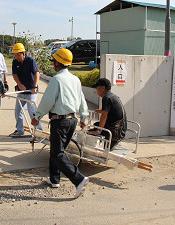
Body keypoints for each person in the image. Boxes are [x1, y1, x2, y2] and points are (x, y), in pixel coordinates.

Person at [32, 48, 89, 198]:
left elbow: (47, 101)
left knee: (57, 153)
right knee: (56, 150)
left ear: (58, 62)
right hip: (72, 121)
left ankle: (79, 179)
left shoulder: (56, 80)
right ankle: (54, 179)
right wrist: (84, 118)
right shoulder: (75, 79)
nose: (53, 64)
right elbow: (82, 99)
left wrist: (37, 116)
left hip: (60, 122)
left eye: (54, 61)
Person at [9, 43, 41, 137]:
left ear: (24, 53)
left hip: (31, 91)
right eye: (15, 55)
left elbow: (37, 73)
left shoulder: (30, 60)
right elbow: (15, 74)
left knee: (32, 111)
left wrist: (34, 87)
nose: (17, 57)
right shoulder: (15, 62)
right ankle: (20, 130)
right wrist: (19, 84)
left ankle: (39, 132)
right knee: (18, 111)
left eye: (18, 55)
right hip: (21, 91)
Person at [89, 78, 127, 150]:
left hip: (115, 131)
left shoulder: (106, 98)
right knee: (97, 125)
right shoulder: (112, 96)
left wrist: (99, 131)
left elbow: (104, 116)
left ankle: (100, 147)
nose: (96, 90)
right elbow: (111, 111)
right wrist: (101, 111)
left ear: (103, 88)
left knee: (94, 129)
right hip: (120, 129)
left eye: (97, 87)